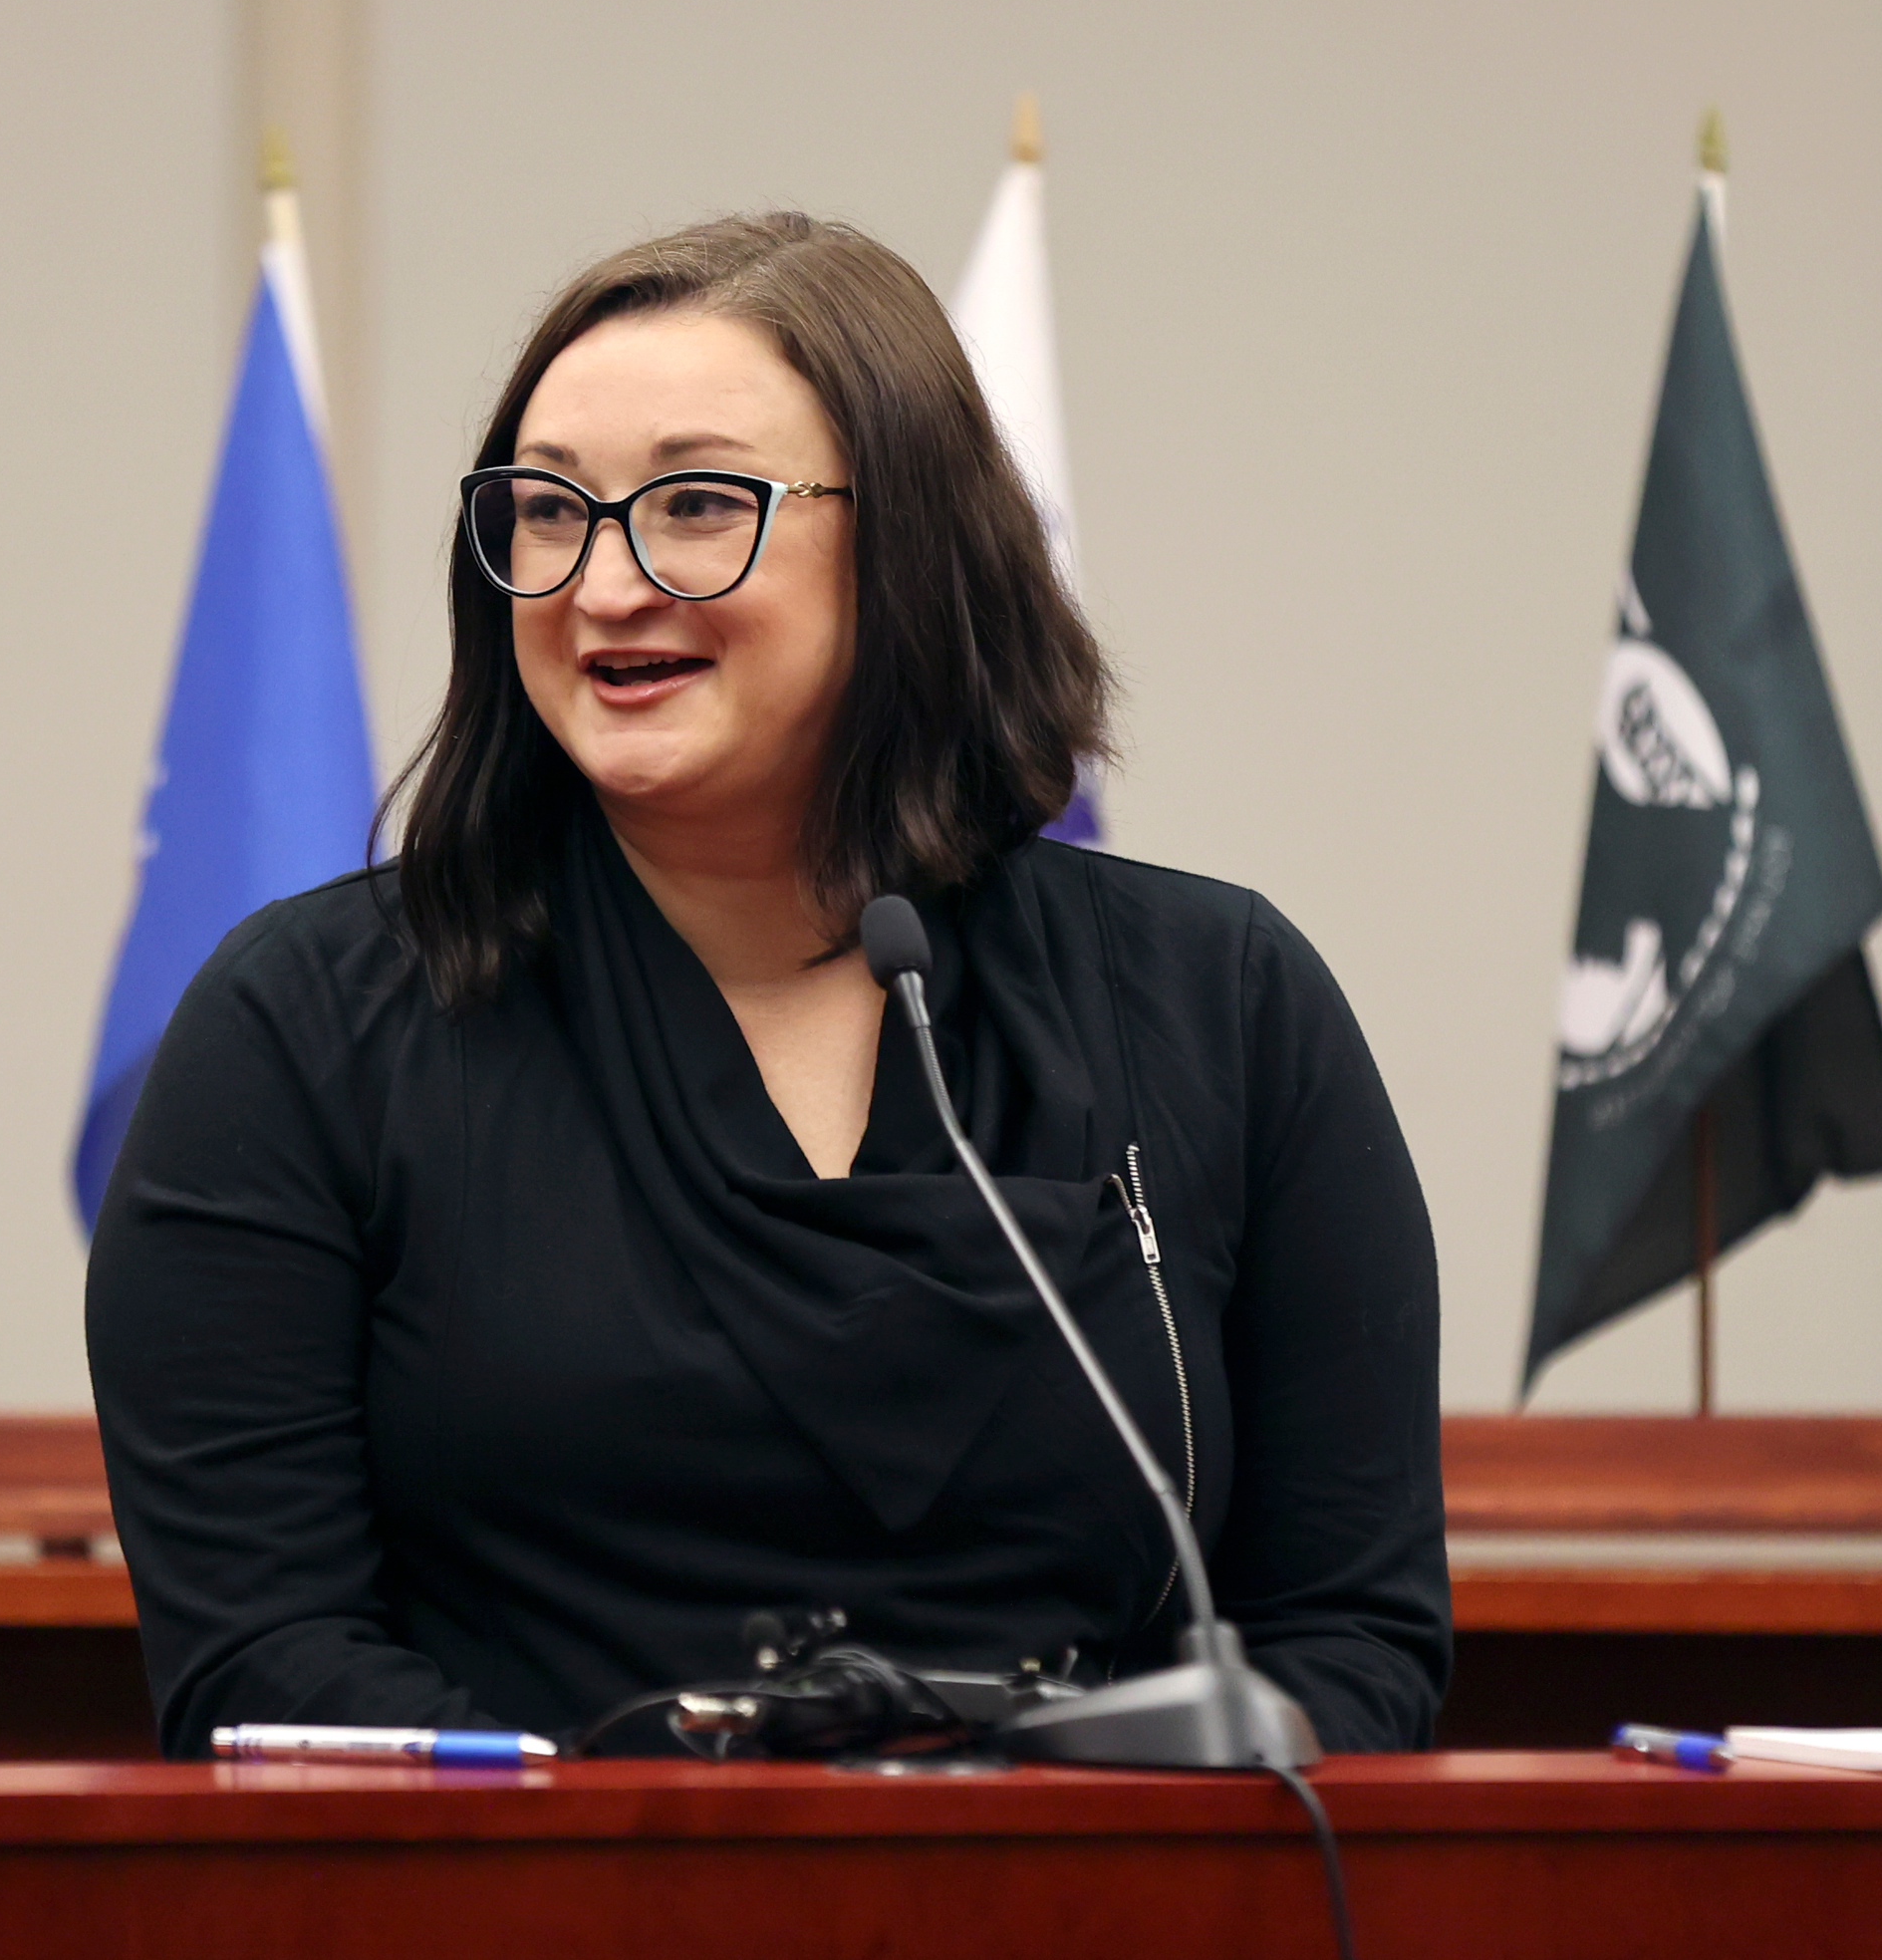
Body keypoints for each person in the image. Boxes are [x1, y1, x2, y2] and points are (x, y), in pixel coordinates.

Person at [86, 212, 1448, 1758]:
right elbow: (267, 1659)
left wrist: (1047, 1871)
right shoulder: (302, 1030)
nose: (604, 584)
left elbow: (1353, 1632)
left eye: (696, 503)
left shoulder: (1224, 1004)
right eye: (548, 512)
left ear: (915, 540)